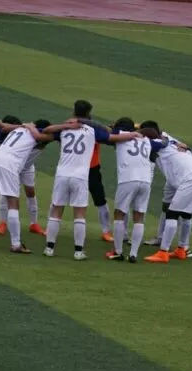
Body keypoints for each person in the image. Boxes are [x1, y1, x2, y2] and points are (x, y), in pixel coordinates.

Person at [42, 119, 141, 260]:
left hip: (75, 171)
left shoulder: (67, 129)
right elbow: (111, 136)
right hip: (83, 172)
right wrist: (133, 134)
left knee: (60, 207)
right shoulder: (92, 130)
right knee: (82, 210)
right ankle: (79, 249)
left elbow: (47, 131)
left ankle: (50, 246)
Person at [0, 119, 53, 253]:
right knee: (13, 204)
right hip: (9, 164)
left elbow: (6, 127)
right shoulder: (36, 133)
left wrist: (24, 125)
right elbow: (39, 137)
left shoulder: (19, 129)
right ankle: (16, 244)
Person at [138, 127, 192, 264]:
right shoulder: (169, 142)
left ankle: (163, 252)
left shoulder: (157, 144)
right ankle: (181, 249)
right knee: (186, 215)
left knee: (172, 214)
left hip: (189, 180)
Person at [105, 117, 153, 263]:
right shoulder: (146, 139)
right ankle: (133, 254)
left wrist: (112, 127)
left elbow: (105, 133)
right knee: (139, 216)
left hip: (128, 179)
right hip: (145, 180)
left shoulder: (120, 135)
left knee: (119, 214)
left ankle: (118, 252)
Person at [73, 100, 114, 242]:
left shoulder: (67, 126)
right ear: (88, 113)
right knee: (100, 199)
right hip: (91, 169)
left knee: (61, 198)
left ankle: (51, 226)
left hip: (74, 167)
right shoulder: (95, 129)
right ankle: (106, 231)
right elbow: (110, 138)